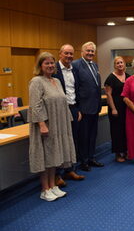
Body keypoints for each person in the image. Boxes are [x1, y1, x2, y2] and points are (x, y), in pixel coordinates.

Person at [29, 52, 76, 201]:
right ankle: (45, 189)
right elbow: (35, 105)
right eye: (46, 63)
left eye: (51, 63)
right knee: (46, 157)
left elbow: (63, 101)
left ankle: (53, 185)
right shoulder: (37, 81)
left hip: (59, 125)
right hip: (46, 125)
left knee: (55, 155)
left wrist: (68, 119)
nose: (50, 66)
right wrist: (42, 124)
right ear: (40, 66)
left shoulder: (56, 81)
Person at [53, 44, 85, 185]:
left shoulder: (74, 69)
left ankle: (70, 169)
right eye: (66, 53)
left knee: (72, 140)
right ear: (60, 54)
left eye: (71, 54)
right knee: (60, 142)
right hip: (60, 110)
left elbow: (76, 90)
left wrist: (78, 109)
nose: (69, 56)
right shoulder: (53, 69)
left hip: (73, 108)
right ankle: (57, 174)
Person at [72, 41, 104, 171]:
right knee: (83, 136)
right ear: (82, 52)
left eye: (92, 51)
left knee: (92, 134)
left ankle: (91, 157)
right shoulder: (76, 65)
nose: (90, 53)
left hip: (95, 106)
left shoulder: (95, 65)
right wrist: (78, 108)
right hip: (84, 108)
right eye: (88, 51)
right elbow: (75, 87)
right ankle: (83, 160)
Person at [104, 56, 130, 163]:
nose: (120, 65)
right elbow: (108, 95)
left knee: (126, 130)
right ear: (115, 65)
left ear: (124, 64)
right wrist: (113, 108)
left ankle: (126, 151)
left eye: (121, 63)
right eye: (117, 63)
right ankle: (118, 153)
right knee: (117, 131)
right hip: (115, 108)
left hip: (126, 108)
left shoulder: (128, 76)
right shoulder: (110, 78)